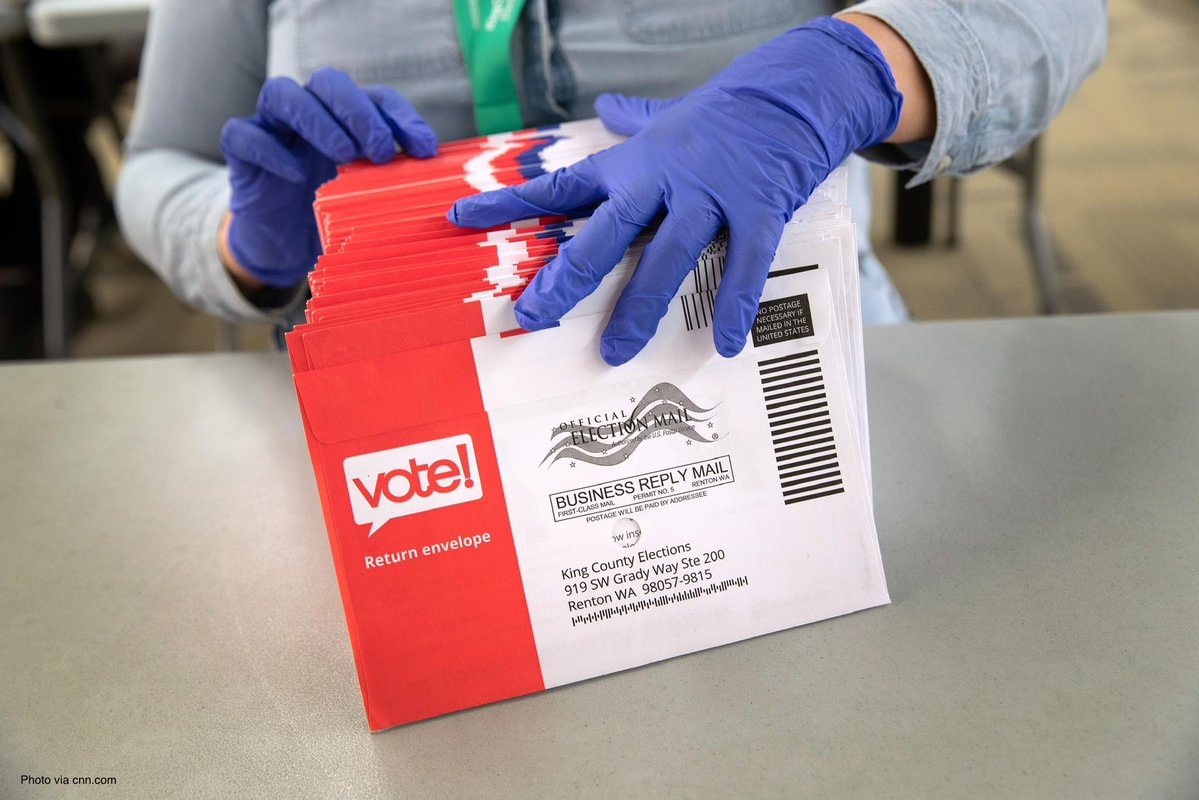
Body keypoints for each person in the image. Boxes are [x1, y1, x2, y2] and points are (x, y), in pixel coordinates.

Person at [115, 1, 1107, 362]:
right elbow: (162, 155)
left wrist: (857, 66)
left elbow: (1055, 14)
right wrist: (242, 241)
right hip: (403, 416)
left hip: (774, 363)